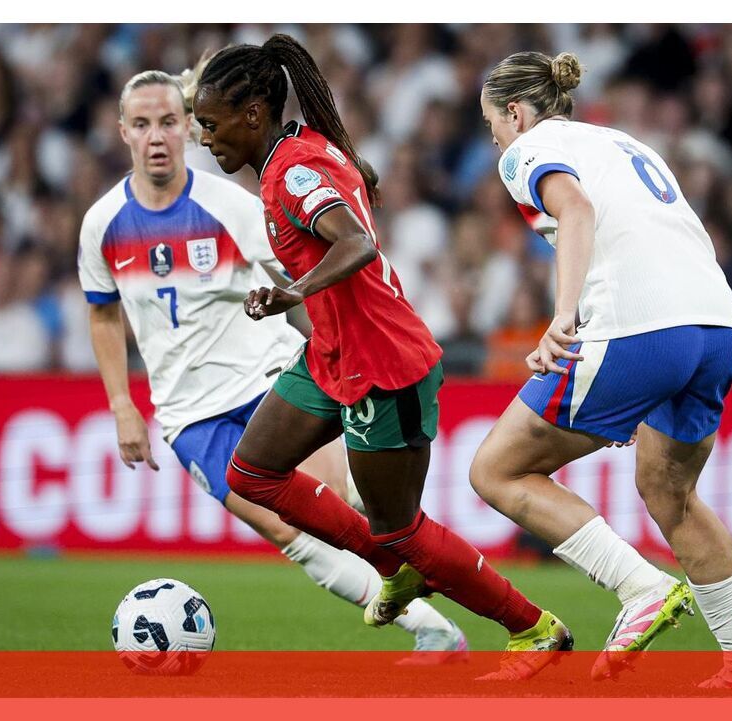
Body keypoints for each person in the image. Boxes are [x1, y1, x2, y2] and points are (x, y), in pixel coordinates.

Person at [192, 35, 569, 681]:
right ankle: (393, 567)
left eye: (209, 123)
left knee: (401, 527)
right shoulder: (301, 151)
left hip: (382, 364)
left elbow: (356, 243)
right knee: (251, 473)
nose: (204, 138)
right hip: (331, 353)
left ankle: (533, 627)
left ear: (252, 114)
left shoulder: (293, 172)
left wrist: (294, 292)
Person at [78, 69, 467, 660]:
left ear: (187, 127)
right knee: (291, 534)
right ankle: (433, 629)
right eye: (141, 124)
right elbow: (103, 314)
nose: (155, 136)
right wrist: (120, 405)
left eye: (167, 122)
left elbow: (303, 281)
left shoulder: (232, 206)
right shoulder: (101, 224)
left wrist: (337, 361)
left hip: (268, 378)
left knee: (346, 502)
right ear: (122, 132)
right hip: (189, 415)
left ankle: (464, 582)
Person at [471, 51, 732, 689]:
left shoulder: (527, 150)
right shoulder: (622, 142)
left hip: (640, 328)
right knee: (670, 491)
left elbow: (577, 211)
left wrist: (562, 318)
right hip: (715, 326)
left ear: (515, 113)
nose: (494, 138)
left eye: (492, 123)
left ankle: (640, 587)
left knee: (496, 470)